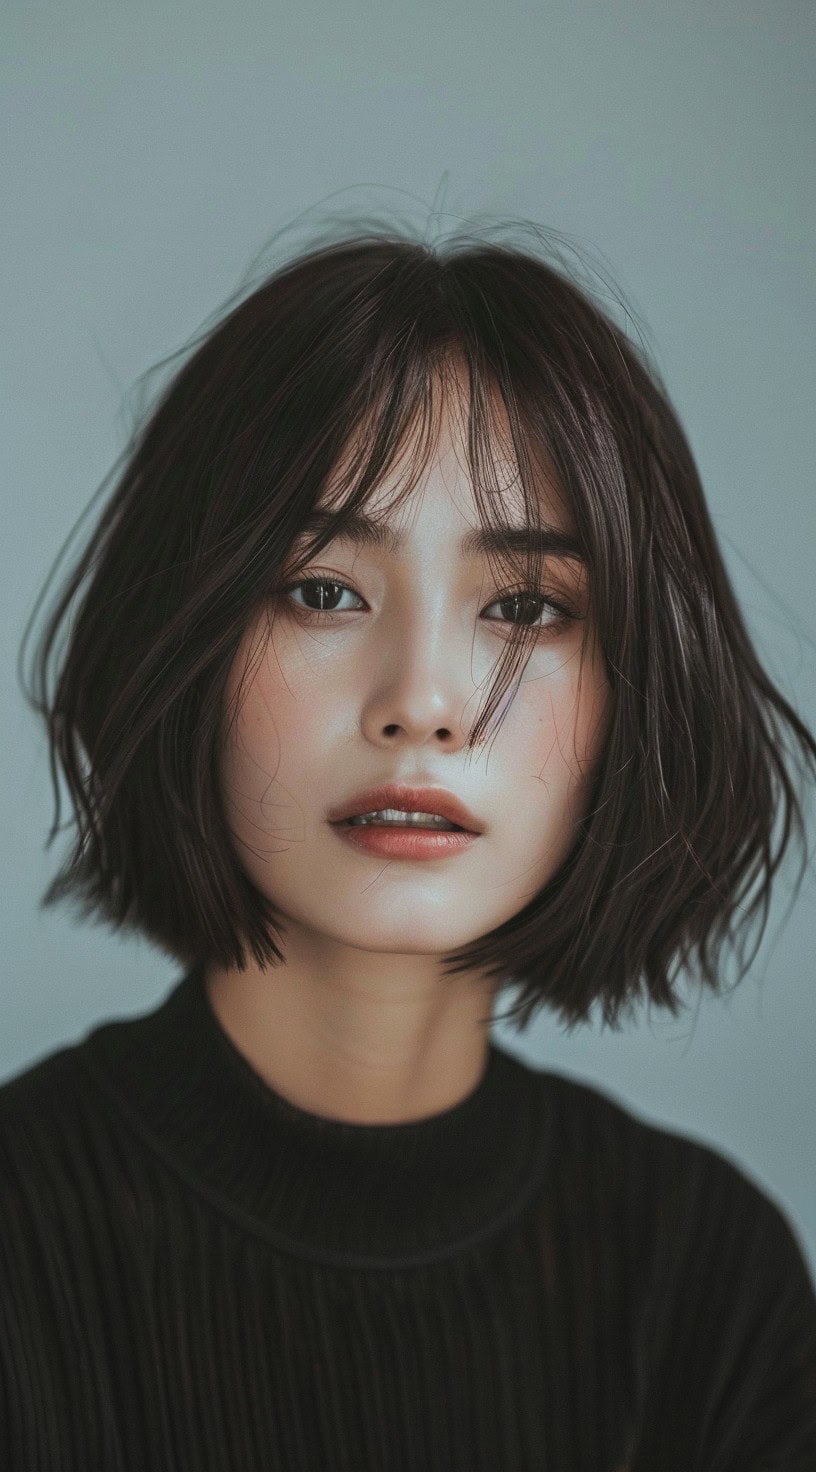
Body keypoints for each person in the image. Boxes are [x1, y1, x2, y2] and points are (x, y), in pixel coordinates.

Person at [4, 219, 816, 1469]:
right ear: (190, 642)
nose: (423, 699)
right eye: (323, 588)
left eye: (525, 607)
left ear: (631, 694)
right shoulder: (23, 1236)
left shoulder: (711, 1278)